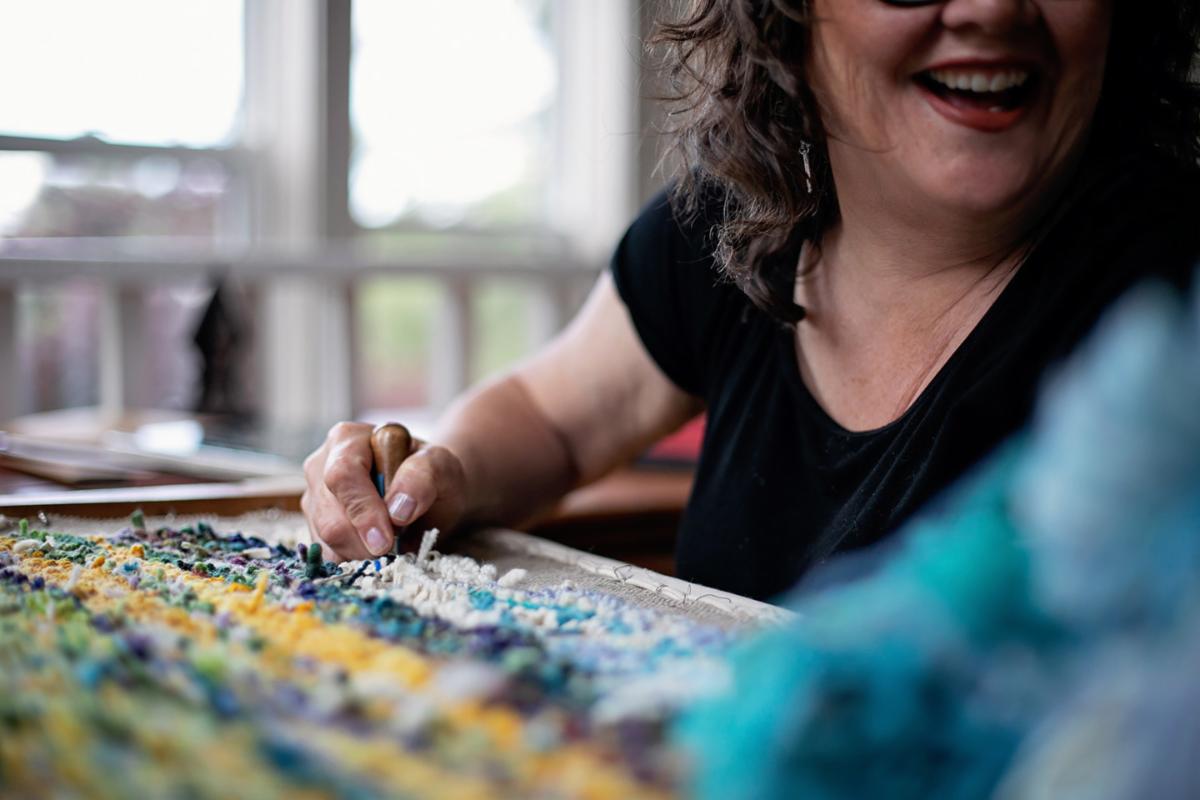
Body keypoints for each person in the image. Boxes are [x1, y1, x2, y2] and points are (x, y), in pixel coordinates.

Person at [303, 0, 1200, 602]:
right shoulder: (726, 224)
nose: (994, 9)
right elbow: (553, 417)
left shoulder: (1177, 298)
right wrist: (437, 474)